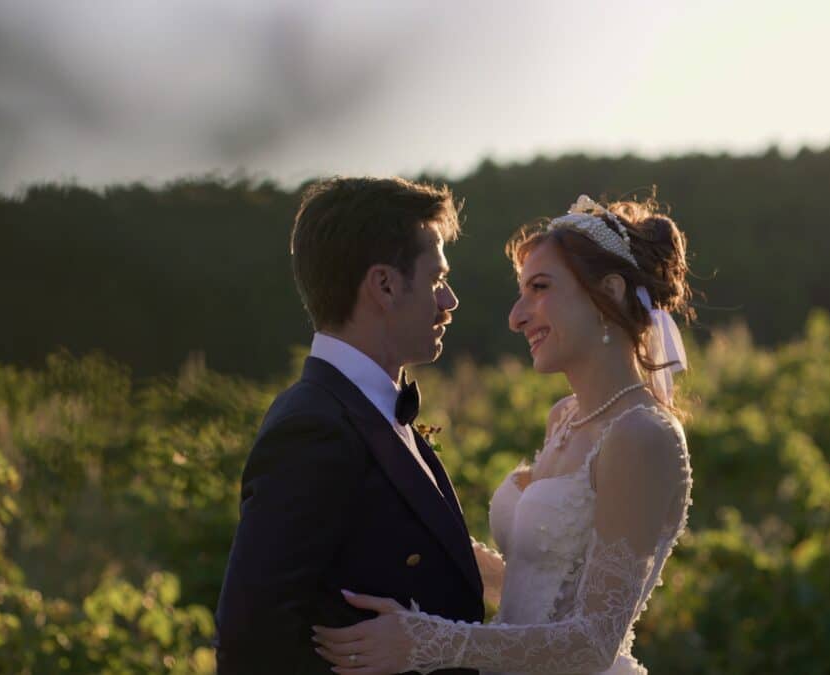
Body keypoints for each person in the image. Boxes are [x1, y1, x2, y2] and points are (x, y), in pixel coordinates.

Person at [313, 193, 695, 674]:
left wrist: (429, 641)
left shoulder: (643, 436)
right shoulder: (565, 417)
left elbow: (593, 643)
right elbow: (537, 584)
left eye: (540, 288)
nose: (517, 316)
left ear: (611, 292)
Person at [213, 177, 484, 674]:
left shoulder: (365, 408)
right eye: (436, 280)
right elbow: (249, 643)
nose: (449, 302)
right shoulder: (313, 428)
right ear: (383, 285)